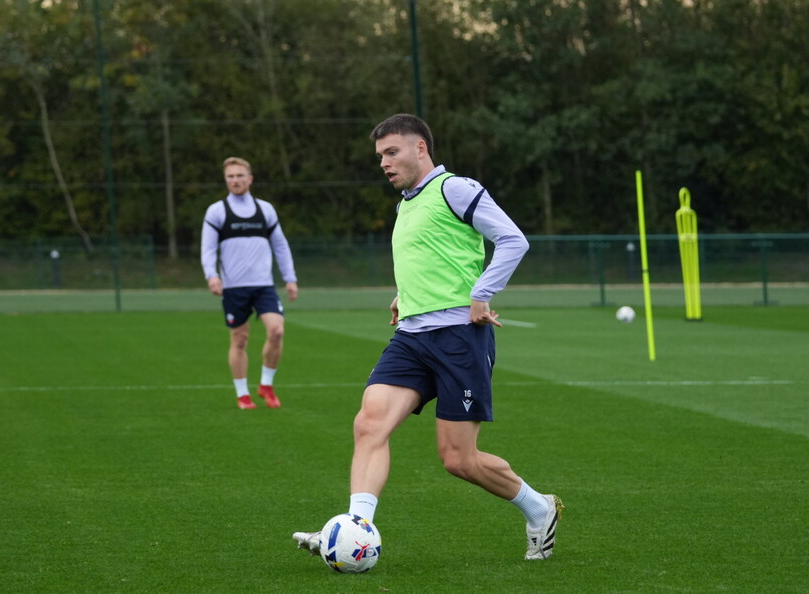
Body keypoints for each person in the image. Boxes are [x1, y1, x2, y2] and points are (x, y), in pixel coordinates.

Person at [292, 114, 562, 561]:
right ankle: (355, 531)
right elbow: (433, 256)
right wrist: (405, 294)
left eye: (392, 152)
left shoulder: (455, 188)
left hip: (460, 336)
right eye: (380, 156)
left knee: (459, 460)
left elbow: (513, 240)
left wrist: (482, 293)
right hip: (413, 336)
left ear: (421, 149)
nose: (384, 163)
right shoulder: (406, 203)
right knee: (369, 423)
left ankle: (539, 508)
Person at [201, 156, 299, 410]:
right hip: (234, 288)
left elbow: (280, 245)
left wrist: (290, 278)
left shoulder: (265, 210)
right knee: (239, 340)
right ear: (226, 181)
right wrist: (212, 275)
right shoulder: (217, 211)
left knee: (277, 331)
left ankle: (266, 384)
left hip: (263, 285)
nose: (235, 180)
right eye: (230, 177)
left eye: (239, 176)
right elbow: (208, 249)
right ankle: (242, 393)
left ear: (250, 179)